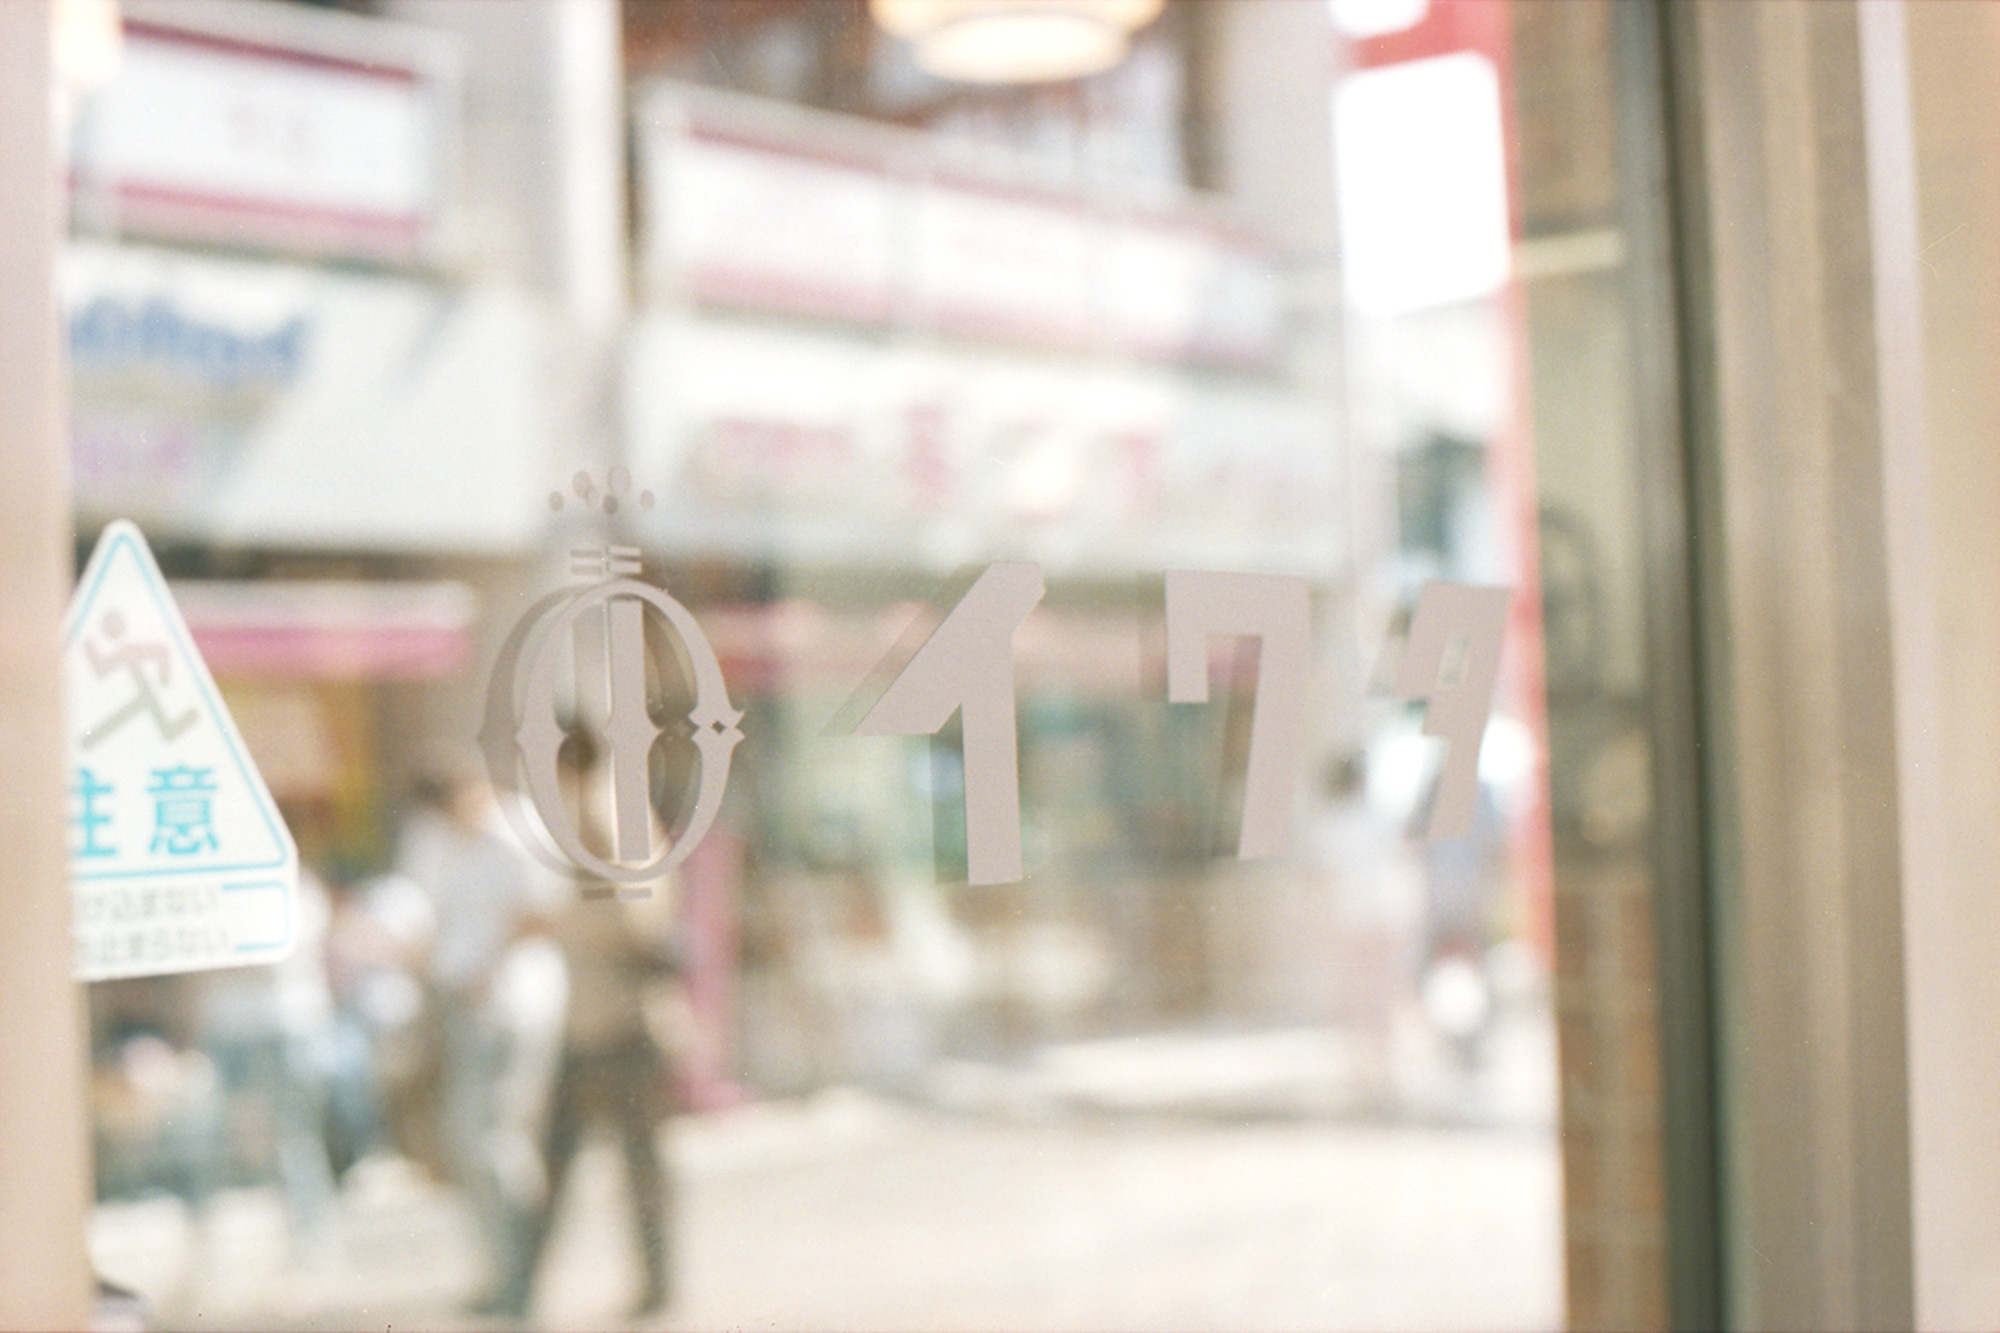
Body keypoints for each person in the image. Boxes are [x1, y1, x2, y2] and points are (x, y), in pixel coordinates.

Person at [515, 757, 683, 1321]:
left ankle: (522, 1289)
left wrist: (559, 927)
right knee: (621, 1166)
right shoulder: (610, 808)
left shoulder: (597, 813)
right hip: (601, 1018)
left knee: (596, 1165)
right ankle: (524, 1288)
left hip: (614, 1022)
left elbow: (636, 921)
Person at [395, 751, 556, 1317]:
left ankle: (522, 1275)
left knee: (493, 1142)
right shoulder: (432, 837)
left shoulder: (519, 830)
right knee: (466, 1144)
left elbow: (541, 913)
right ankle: (501, 1271)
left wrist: (486, 964)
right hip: (456, 1002)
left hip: (511, 1004)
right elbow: (424, 913)